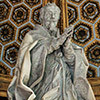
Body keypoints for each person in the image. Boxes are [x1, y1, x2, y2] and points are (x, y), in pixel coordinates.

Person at [7, 3, 96, 100]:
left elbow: (72, 63)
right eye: (49, 13)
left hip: (65, 86)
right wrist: (56, 43)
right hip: (44, 85)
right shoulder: (32, 36)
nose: (52, 17)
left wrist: (66, 45)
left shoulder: (61, 37)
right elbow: (27, 60)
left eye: (55, 14)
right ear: (42, 17)